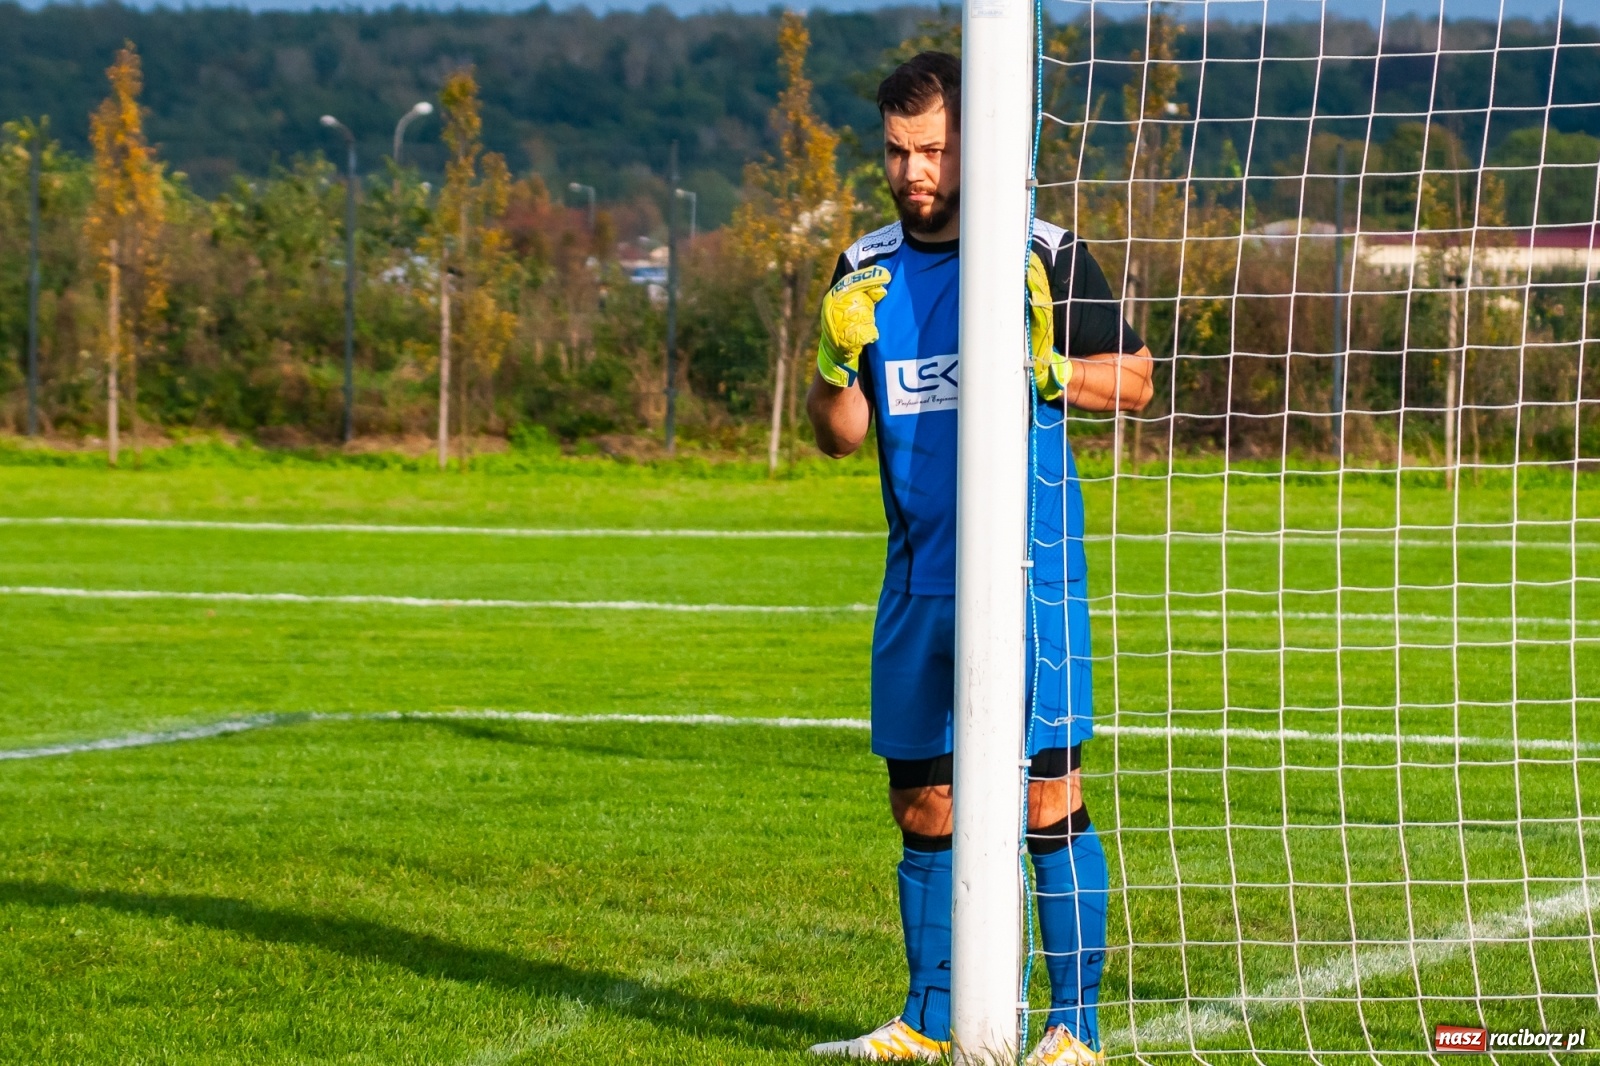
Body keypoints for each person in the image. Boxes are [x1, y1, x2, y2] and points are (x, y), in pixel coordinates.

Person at [803, 51, 1153, 1065]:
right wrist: (831, 363)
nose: (914, 172)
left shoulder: (1041, 254)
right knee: (921, 798)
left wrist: (1050, 368)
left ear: (977, 147)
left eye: (936, 150)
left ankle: (1072, 1031)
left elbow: (1133, 382)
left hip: (1027, 577)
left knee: (1047, 792)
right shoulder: (861, 267)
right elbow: (837, 433)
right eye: (898, 152)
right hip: (915, 579)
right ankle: (927, 1019)